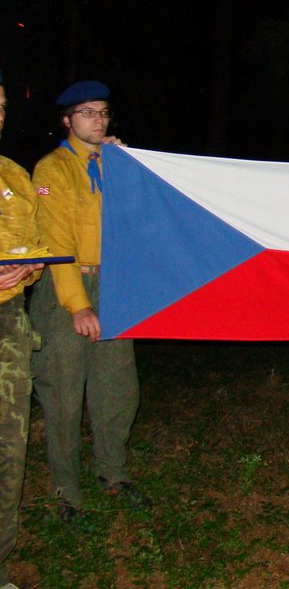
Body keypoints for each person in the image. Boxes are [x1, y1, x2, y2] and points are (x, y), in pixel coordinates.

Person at [29, 80, 149, 522]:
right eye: (87, 113)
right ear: (67, 120)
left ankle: (113, 472)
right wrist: (78, 305)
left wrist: (128, 165)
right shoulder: (52, 170)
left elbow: (139, 216)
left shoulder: (114, 163)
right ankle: (67, 490)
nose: (97, 120)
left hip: (114, 286)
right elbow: (57, 243)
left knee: (117, 387)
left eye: (102, 112)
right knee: (63, 391)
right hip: (65, 288)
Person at [0, 71, 46, 589]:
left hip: (9, 320)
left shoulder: (14, 175)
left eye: (2, 107)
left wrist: (28, 268)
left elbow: (31, 247)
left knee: (9, 448)